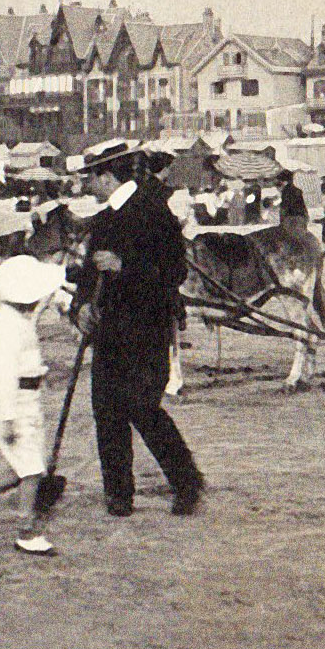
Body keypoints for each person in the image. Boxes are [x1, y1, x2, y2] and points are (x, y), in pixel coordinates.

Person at [73, 140, 204, 517]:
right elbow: (87, 273)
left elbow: (174, 273)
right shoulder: (104, 219)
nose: (87, 186)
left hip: (146, 328)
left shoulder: (153, 212)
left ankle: (186, 482)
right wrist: (80, 307)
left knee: (143, 408)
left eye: (91, 177)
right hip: (109, 331)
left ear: (108, 176)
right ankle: (118, 493)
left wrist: (123, 266)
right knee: (106, 410)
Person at [0, 255, 69, 556]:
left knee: (24, 467)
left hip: (27, 400)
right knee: (31, 470)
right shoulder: (4, 328)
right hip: (12, 404)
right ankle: (26, 530)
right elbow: (2, 378)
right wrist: (7, 418)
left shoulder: (19, 318)